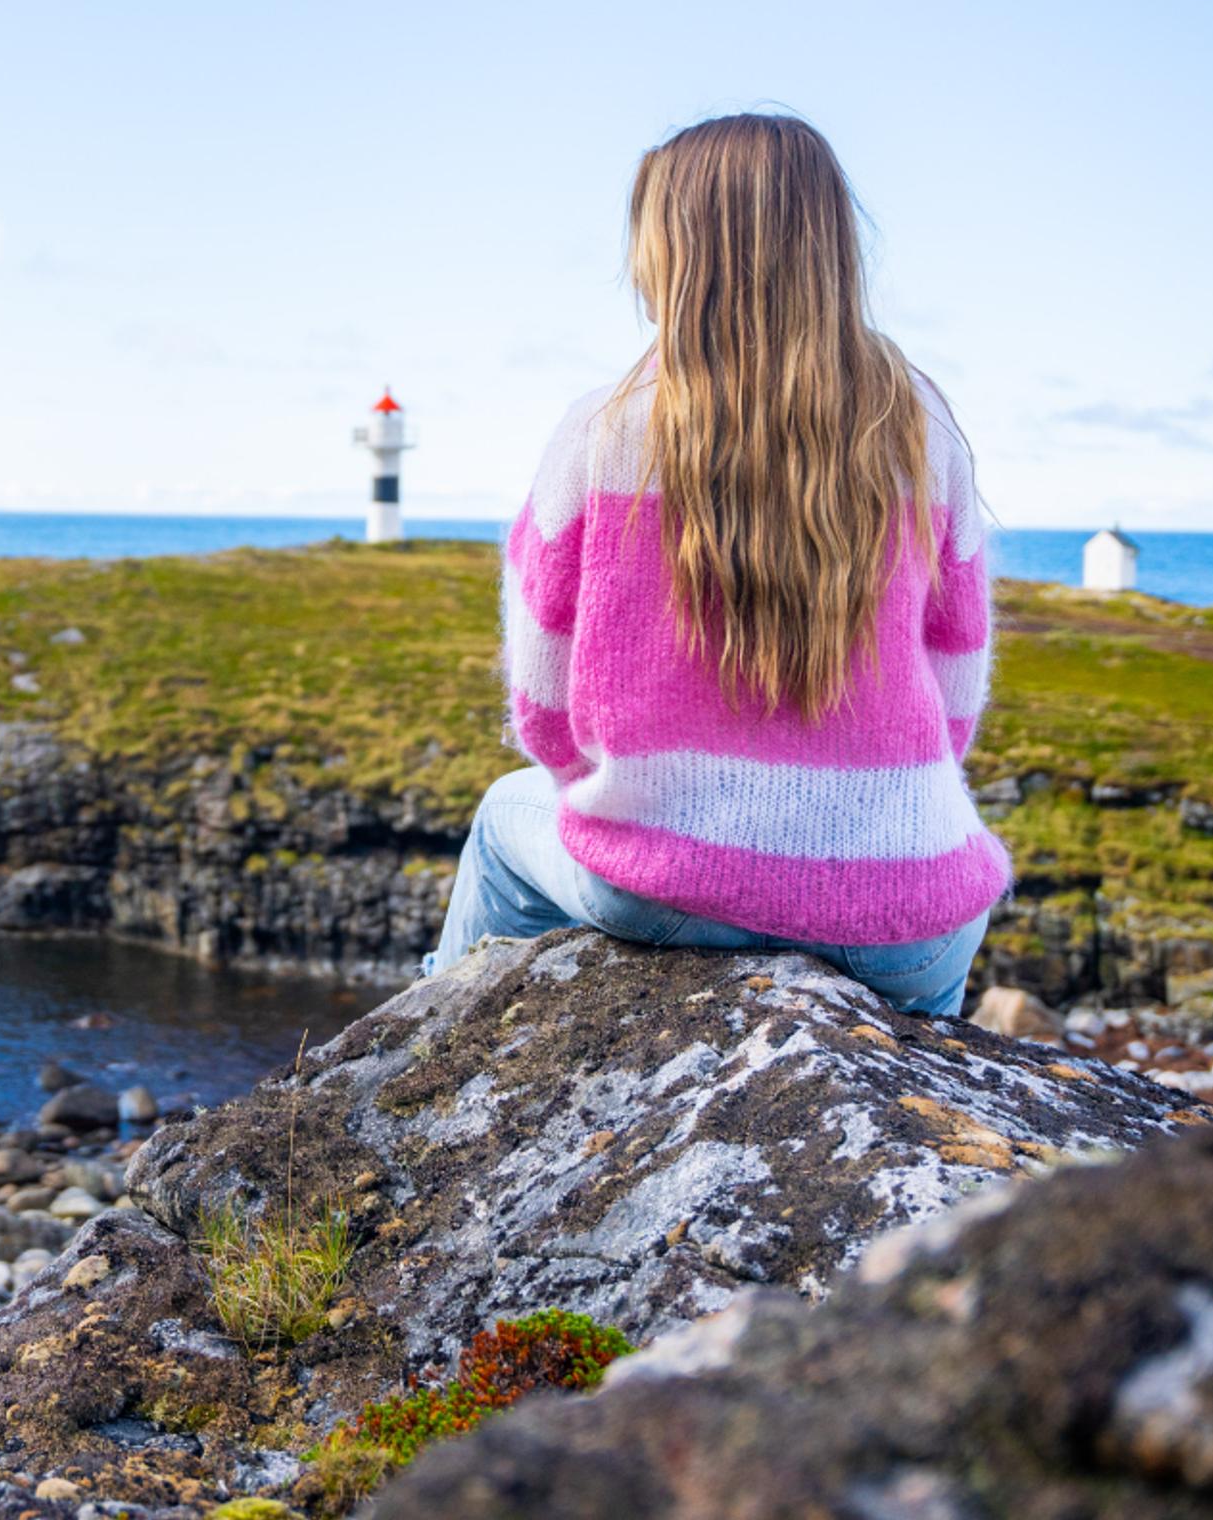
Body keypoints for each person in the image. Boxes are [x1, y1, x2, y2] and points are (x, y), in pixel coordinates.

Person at [428, 111, 1006, 1015]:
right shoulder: (923, 430)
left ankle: (428, 1045)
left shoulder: (600, 431)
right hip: (906, 926)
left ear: (676, 251)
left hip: (666, 892)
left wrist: (658, 816)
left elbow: (542, 711)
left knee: (506, 816)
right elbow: (958, 701)